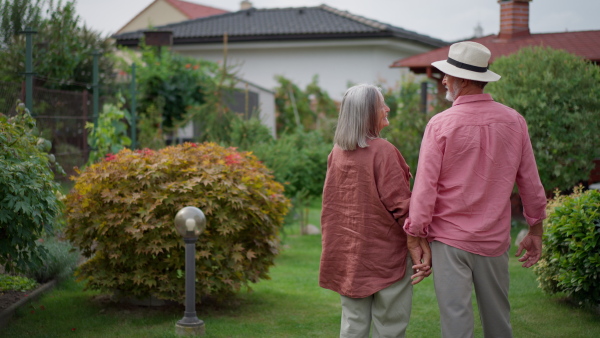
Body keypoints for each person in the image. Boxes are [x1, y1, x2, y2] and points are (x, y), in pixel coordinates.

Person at [403, 41, 547, 338]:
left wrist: (414, 233)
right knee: (499, 324)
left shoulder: (440, 124)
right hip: (494, 241)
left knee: (456, 326)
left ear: (464, 79)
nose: (443, 79)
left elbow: (425, 187)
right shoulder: (514, 121)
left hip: (449, 241)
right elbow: (531, 183)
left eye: (448, 74)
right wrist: (536, 231)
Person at [319, 84, 432, 338]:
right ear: (368, 112)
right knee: (389, 328)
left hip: (348, 256)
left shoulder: (336, 153)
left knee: (352, 326)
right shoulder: (383, 151)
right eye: (382, 105)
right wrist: (422, 242)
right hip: (386, 257)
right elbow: (403, 207)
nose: (387, 108)